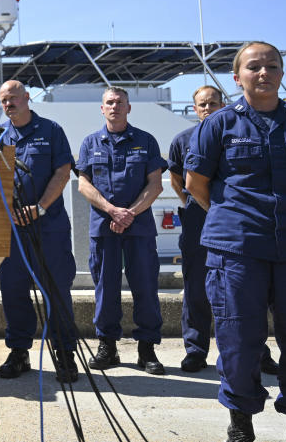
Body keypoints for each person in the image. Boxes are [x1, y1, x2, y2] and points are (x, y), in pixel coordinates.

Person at [185, 41, 286, 442]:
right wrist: (237, 218)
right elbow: (196, 185)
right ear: (238, 78)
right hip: (238, 250)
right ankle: (241, 423)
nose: (264, 72)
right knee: (238, 340)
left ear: (282, 74)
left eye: (272, 65)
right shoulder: (217, 124)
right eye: (254, 67)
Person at [168, 87, 280, 375]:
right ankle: (195, 350)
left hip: (238, 221)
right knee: (196, 287)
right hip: (197, 218)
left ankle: (258, 352)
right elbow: (178, 182)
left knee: (246, 287)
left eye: (213, 103)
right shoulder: (182, 140)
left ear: (223, 104)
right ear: (195, 109)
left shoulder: (242, 133)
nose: (208, 108)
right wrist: (206, 208)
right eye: (202, 104)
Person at [75, 86, 167, 375]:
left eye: (120, 102)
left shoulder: (146, 141)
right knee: (105, 288)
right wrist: (112, 211)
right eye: (109, 103)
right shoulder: (90, 143)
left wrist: (129, 213)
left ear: (129, 108)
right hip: (104, 227)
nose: (114, 107)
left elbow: (155, 185)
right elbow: (83, 185)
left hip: (138, 227)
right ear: (102, 109)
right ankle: (107, 347)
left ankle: (147, 350)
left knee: (146, 287)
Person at [0, 81, 79, 383]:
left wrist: (39, 207)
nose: (9, 105)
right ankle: (19, 351)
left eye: (14, 98)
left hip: (48, 226)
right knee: (13, 291)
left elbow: (62, 171)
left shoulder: (51, 131)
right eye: (4, 100)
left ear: (27, 98)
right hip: (14, 230)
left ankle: (65, 353)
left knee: (56, 290)